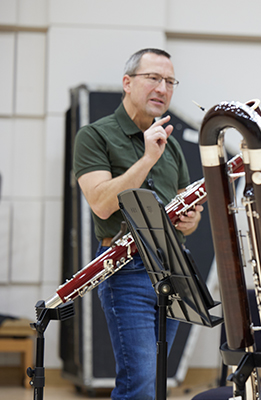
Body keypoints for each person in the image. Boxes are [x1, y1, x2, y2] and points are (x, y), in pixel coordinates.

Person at [73, 48, 202, 399]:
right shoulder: (95, 136)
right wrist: (147, 159)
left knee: (157, 382)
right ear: (127, 83)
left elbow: (185, 212)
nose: (163, 88)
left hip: (173, 271)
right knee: (140, 383)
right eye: (153, 78)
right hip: (126, 272)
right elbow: (100, 204)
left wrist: (191, 220)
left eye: (170, 81)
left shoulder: (171, 148)